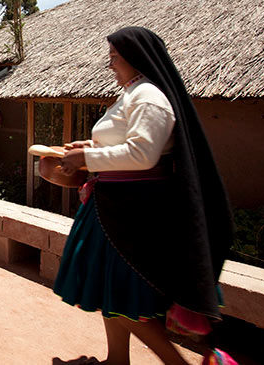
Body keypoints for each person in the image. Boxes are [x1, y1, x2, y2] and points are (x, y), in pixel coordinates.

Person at [55, 27, 235, 365]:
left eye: (114, 58)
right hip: (111, 207)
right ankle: (116, 360)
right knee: (110, 289)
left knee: (123, 298)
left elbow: (143, 154)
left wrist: (87, 159)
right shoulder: (132, 94)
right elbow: (126, 141)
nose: (110, 65)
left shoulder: (150, 97)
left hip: (131, 214)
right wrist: (91, 146)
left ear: (135, 59)